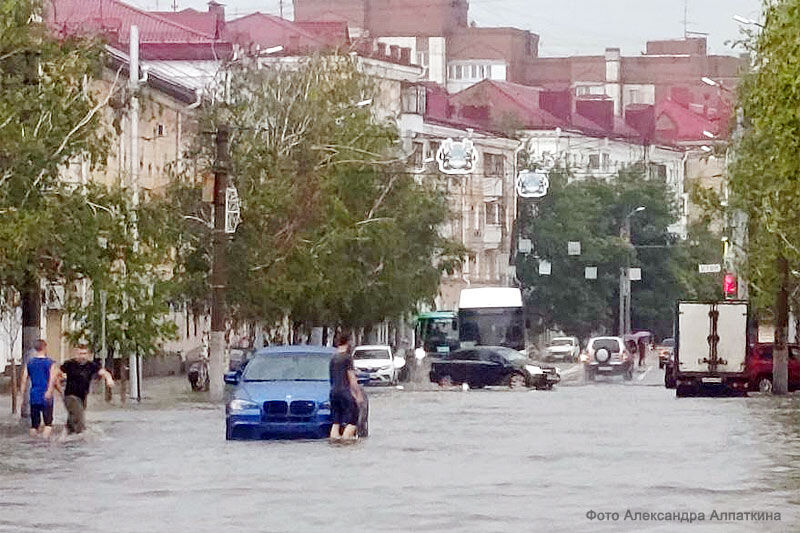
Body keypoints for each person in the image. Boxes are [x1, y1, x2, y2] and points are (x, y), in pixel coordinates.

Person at [46, 344, 114, 435]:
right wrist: (50, 389)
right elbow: (55, 372)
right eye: (80, 353)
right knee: (80, 419)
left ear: (88, 354)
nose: (82, 356)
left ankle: (64, 437)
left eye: (84, 354)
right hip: (70, 397)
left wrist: (109, 379)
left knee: (73, 420)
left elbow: (104, 373)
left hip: (82, 398)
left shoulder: (91, 365)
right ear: (76, 354)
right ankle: (82, 440)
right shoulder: (69, 364)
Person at [328, 331, 365, 442]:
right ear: (348, 343)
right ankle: (346, 442)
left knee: (336, 421)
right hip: (345, 392)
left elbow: (332, 378)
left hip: (333, 392)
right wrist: (358, 395)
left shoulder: (333, 358)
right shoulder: (347, 358)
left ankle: (335, 442)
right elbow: (352, 379)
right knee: (353, 420)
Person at [18, 339, 55, 438]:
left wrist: (21, 396)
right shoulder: (50, 363)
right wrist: (50, 391)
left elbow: (23, 380)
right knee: (48, 423)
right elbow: (52, 379)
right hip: (46, 395)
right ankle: (44, 444)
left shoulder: (29, 363)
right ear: (44, 348)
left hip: (34, 396)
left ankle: (33, 443)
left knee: (34, 425)